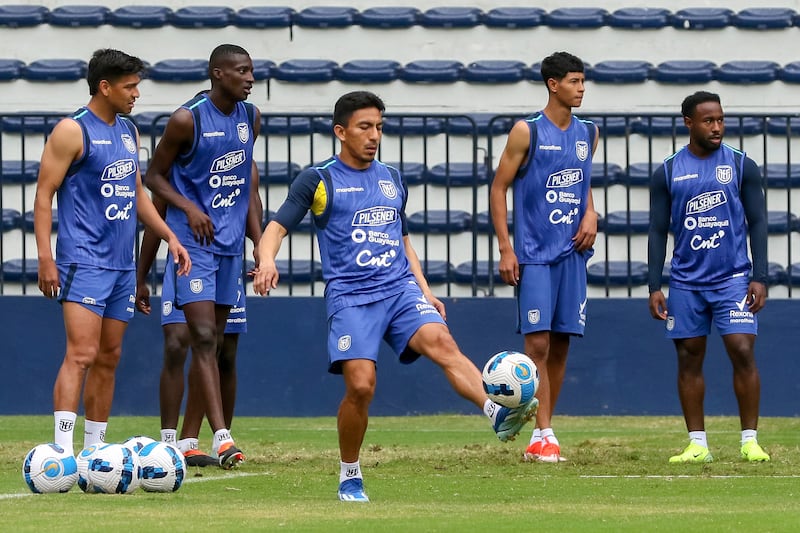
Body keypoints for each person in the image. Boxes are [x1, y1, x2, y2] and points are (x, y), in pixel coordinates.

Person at [253, 91, 538, 502]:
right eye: (364, 127)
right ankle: (350, 472)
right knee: (362, 386)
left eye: (379, 128)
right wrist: (265, 261)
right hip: (351, 296)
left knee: (442, 342)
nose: (374, 136)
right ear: (341, 131)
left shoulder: (391, 178)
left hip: (399, 289)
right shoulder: (318, 179)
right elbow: (276, 227)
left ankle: (497, 412)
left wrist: (425, 290)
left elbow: (402, 240)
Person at [33, 48, 191, 455]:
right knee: (81, 354)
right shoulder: (72, 130)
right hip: (82, 259)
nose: (137, 93)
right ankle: (62, 452)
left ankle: (93, 451)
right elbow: (44, 195)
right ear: (105, 87)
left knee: (109, 356)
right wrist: (46, 258)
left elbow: (137, 193)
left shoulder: (128, 131)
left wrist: (169, 235)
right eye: (130, 86)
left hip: (122, 264)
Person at [144, 44, 261, 469]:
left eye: (252, 71)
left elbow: (248, 185)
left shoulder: (250, 118)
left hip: (229, 245)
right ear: (217, 73)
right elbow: (153, 176)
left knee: (214, 345)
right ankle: (222, 437)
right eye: (242, 71)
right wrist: (190, 208)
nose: (250, 78)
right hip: (191, 244)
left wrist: (260, 245)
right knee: (200, 338)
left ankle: (186, 443)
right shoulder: (186, 119)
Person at [647, 91, 770, 463]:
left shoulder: (740, 164)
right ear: (689, 123)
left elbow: (759, 221)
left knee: (742, 349)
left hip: (733, 277)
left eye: (720, 119)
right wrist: (654, 284)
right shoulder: (668, 170)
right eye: (708, 120)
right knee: (689, 357)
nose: (716, 127)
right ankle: (697, 444)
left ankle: (749, 440)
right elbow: (656, 230)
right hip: (686, 282)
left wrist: (759, 275)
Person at [489, 51, 598, 464]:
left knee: (563, 343)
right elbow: (499, 187)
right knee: (537, 344)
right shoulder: (526, 131)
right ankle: (541, 432)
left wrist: (591, 211)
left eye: (583, 81)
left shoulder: (589, 132)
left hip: (574, 255)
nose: (581, 88)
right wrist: (506, 247)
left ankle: (543, 429)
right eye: (574, 81)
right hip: (534, 253)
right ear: (554, 85)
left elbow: (584, 181)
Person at [136, 166, 262, 467]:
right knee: (179, 342)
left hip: (227, 260)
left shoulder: (245, 161)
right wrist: (141, 275)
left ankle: (192, 441)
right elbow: (157, 215)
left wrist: (261, 247)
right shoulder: (185, 161)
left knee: (224, 349)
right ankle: (168, 442)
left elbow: (250, 203)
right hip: (188, 260)